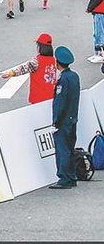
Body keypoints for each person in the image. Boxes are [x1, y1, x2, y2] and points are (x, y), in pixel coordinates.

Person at [50, 46, 81, 189]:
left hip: (63, 120)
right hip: (73, 118)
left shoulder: (63, 80)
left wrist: (56, 121)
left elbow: (60, 102)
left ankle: (64, 178)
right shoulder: (74, 76)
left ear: (57, 63)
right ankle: (72, 175)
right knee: (70, 148)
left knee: (62, 149)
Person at [0, 33, 57, 104]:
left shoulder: (37, 61)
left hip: (38, 98)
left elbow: (23, 68)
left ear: (40, 47)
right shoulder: (53, 61)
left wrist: (11, 73)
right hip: (51, 97)